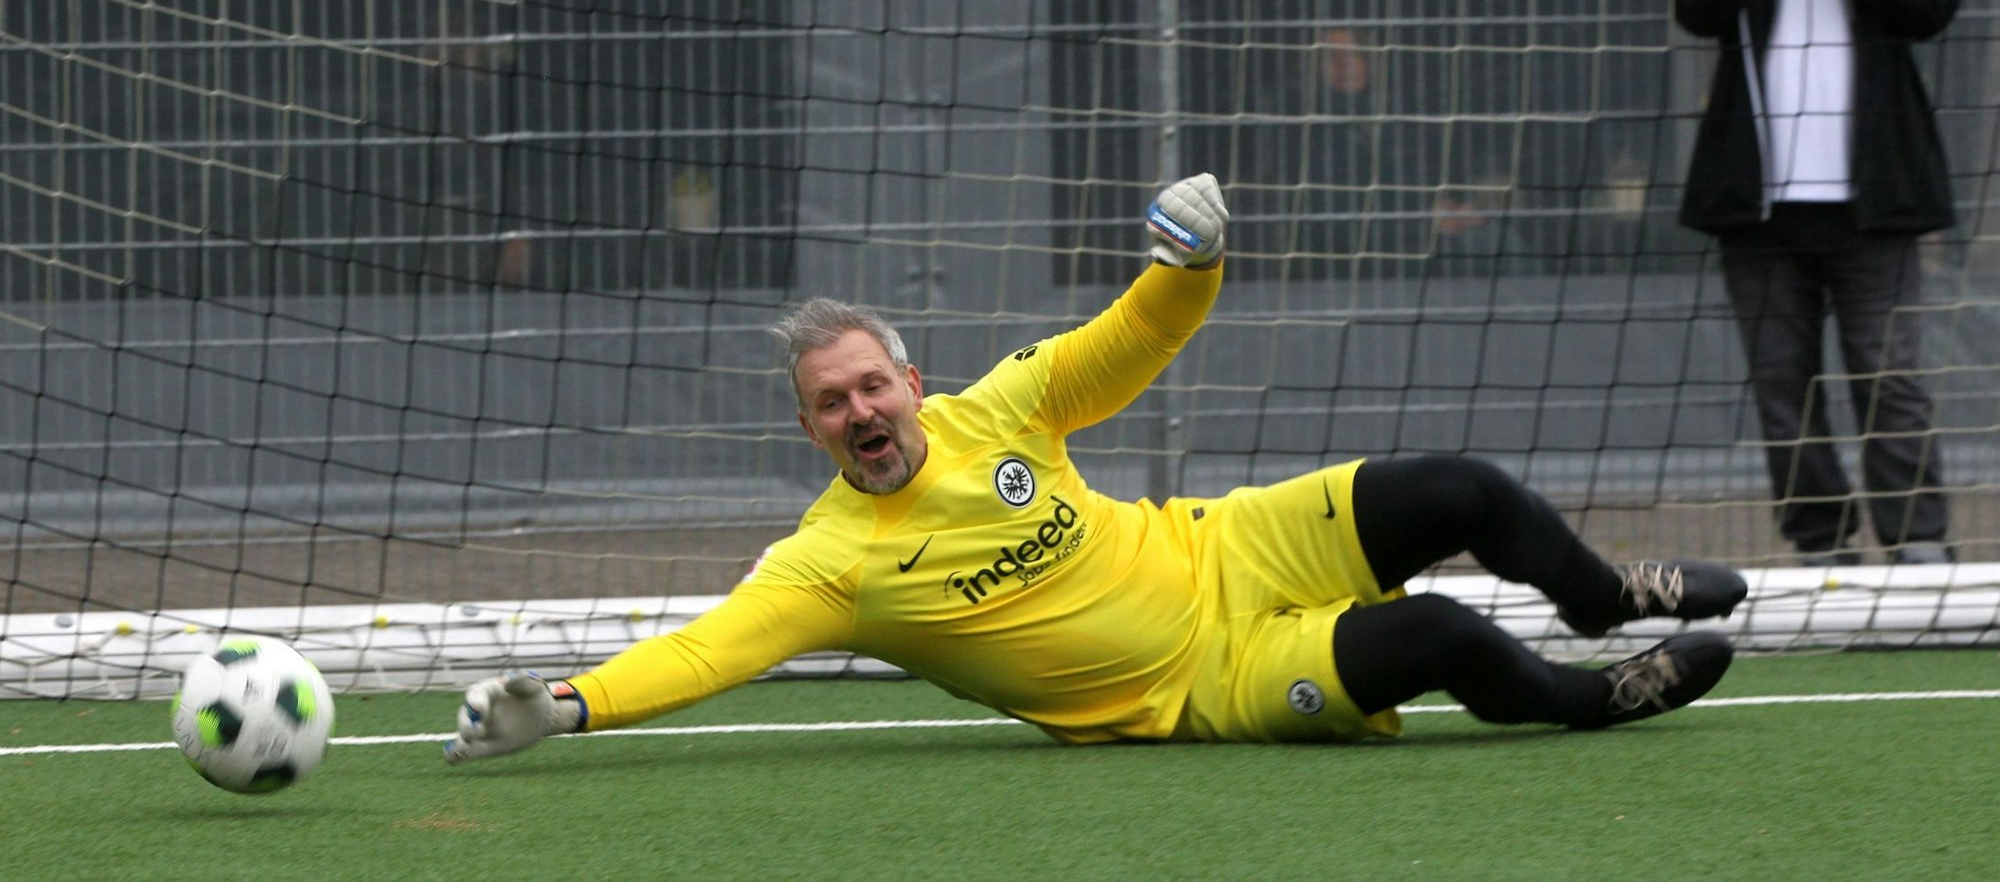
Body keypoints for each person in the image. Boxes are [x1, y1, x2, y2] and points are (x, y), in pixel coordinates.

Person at [444, 174, 1747, 761]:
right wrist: (565, 703)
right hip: (1206, 681)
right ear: (814, 432)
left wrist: (1188, 259)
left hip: (1225, 547)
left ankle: (1599, 598)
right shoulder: (831, 566)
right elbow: (707, 650)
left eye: (872, 385)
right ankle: (1592, 699)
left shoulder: (1003, 409)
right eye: (831, 404)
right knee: (1441, 631)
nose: (859, 412)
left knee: (1460, 485)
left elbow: (1132, 340)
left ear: (913, 381)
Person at [1673, 0, 1958, 567]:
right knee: (1783, 388)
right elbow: (1694, 7)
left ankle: (1917, 544)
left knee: (1889, 378)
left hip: (1876, 205)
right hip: (1758, 209)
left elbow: (1933, 8)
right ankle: (1822, 546)